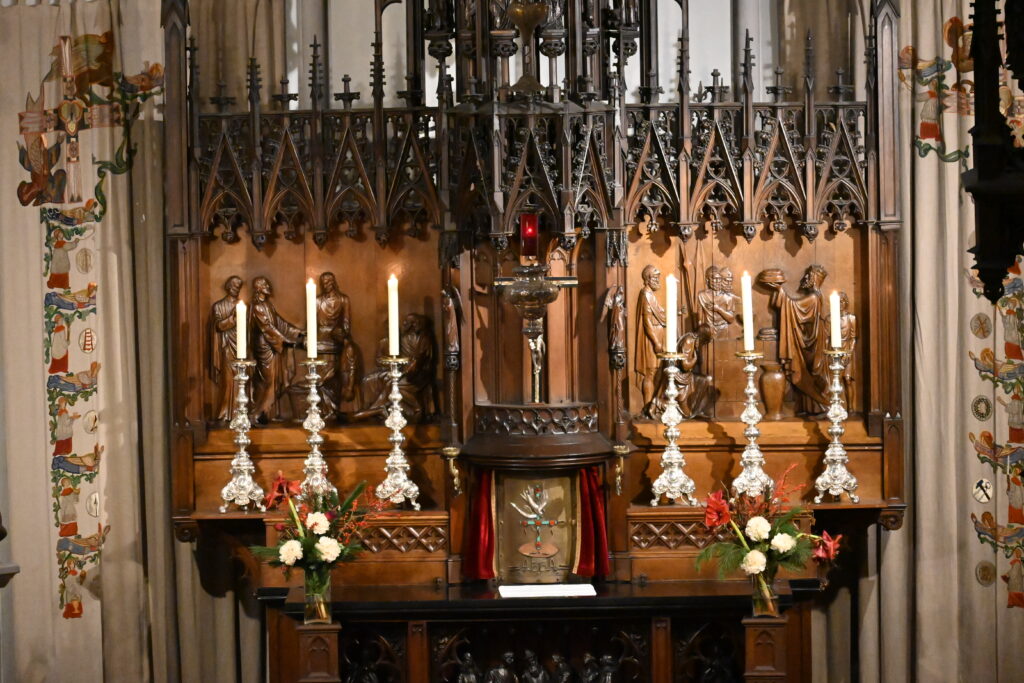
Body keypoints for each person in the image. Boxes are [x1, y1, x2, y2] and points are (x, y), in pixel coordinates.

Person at [762, 265, 830, 414]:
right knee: (806, 375)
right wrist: (778, 291)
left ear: (814, 279)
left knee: (807, 374)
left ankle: (822, 405)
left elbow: (794, 307)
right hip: (808, 339)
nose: (804, 278)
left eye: (808, 276)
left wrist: (780, 290)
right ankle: (812, 408)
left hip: (811, 343)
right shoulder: (815, 296)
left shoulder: (813, 297)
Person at [250, 276, 303, 421]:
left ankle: (266, 412)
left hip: (272, 345)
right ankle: (258, 413)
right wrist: (285, 341)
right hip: (264, 347)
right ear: (258, 288)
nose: (268, 286)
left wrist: (297, 332)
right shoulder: (257, 306)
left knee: (275, 380)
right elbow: (267, 328)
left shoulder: (267, 304)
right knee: (269, 380)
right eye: (264, 285)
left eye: (267, 284)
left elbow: (279, 322)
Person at [314, 272, 357, 418]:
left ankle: (333, 410)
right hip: (320, 341)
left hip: (336, 340)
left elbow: (346, 323)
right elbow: (312, 323)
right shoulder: (317, 300)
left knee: (333, 377)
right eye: (323, 282)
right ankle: (325, 410)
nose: (325, 285)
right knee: (321, 378)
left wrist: (342, 333)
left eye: (328, 281)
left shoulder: (344, 299)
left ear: (333, 282)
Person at [635, 265, 666, 417]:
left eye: (658, 277)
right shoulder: (646, 294)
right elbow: (647, 321)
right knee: (651, 372)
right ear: (647, 279)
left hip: (658, 335)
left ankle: (653, 405)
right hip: (651, 339)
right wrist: (656, 343)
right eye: (655, 278)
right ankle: (648, 407)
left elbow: (659, 314)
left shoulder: (651, 294)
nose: (657, 280)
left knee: (657, 372)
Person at [210, 276, 242, 422]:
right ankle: (226, 413)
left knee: (241, 381)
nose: (237, 289)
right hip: (227, 346)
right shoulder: (218, 306)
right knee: (228, 381)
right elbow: (218, 326)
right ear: (228, 287)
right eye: (235, 286)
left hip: (241, 347)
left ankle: (240, 412)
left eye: (239, 286)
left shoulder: (242, 305)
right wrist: (232, 319)